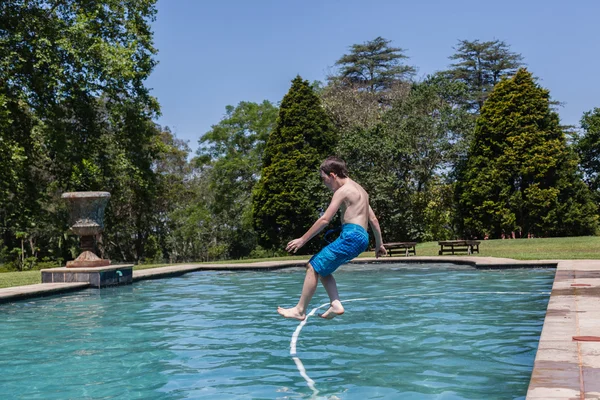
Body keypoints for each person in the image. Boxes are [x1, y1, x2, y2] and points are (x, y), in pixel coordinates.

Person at [277, 156, 386, 321]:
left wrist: (302, 240)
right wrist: (379, 244)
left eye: (324, 179)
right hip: (362, 238)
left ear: (333, 175)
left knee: (312, 267)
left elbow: (324, 220)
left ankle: (300, 310)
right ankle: (335, 304)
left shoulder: (342, 191)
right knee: (322, 268)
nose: (325, 183)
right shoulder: (362, 191)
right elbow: (374, 220)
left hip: (351, 235)